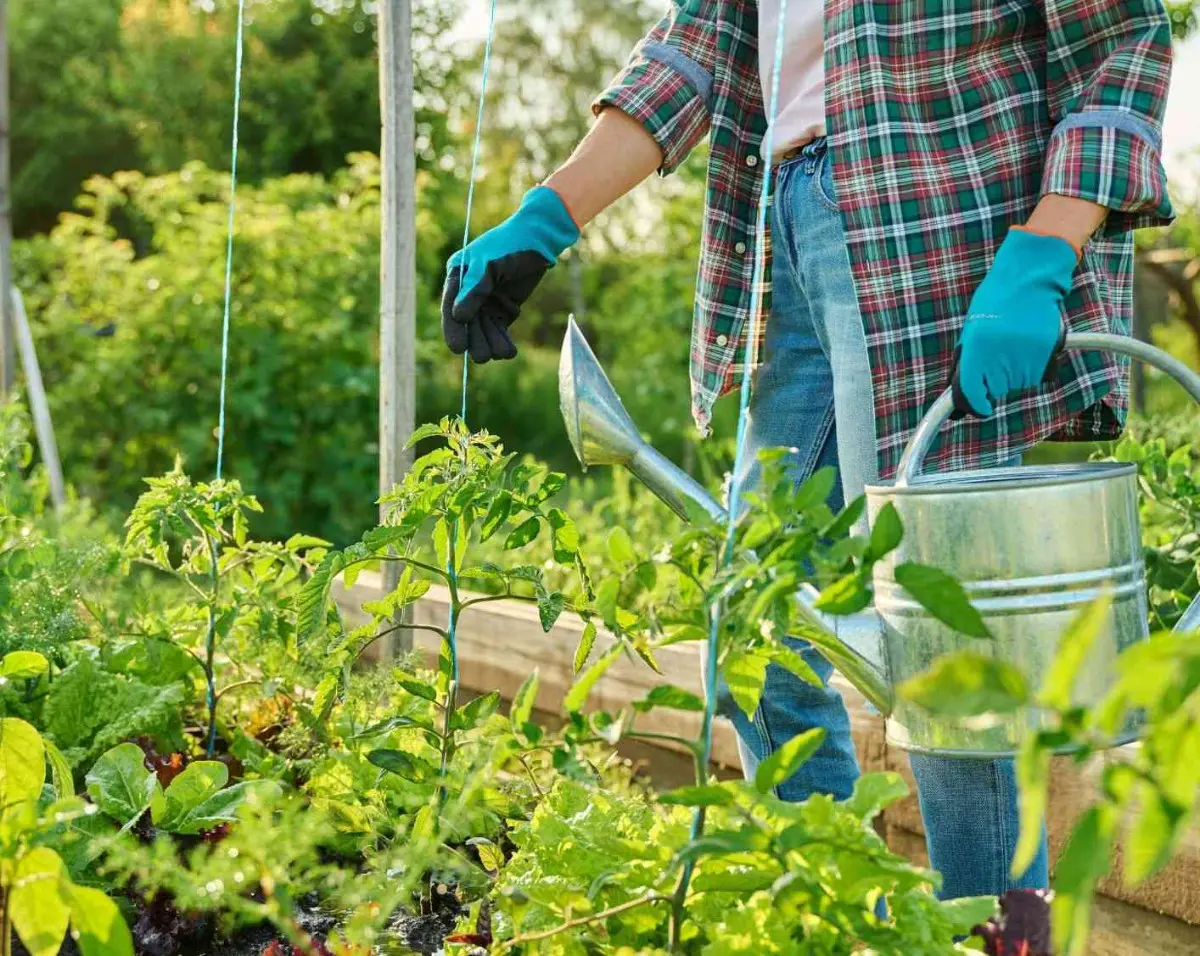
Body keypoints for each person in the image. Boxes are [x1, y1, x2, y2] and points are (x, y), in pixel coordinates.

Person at [440, 0, 1175, 899]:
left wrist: (1043, 252)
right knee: (755, 630)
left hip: (937, 239)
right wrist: (547, 215)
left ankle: (996, 932)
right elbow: (699, 49)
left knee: (946, 669)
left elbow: (1123, 42)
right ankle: (829, 911)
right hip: (779, 224)